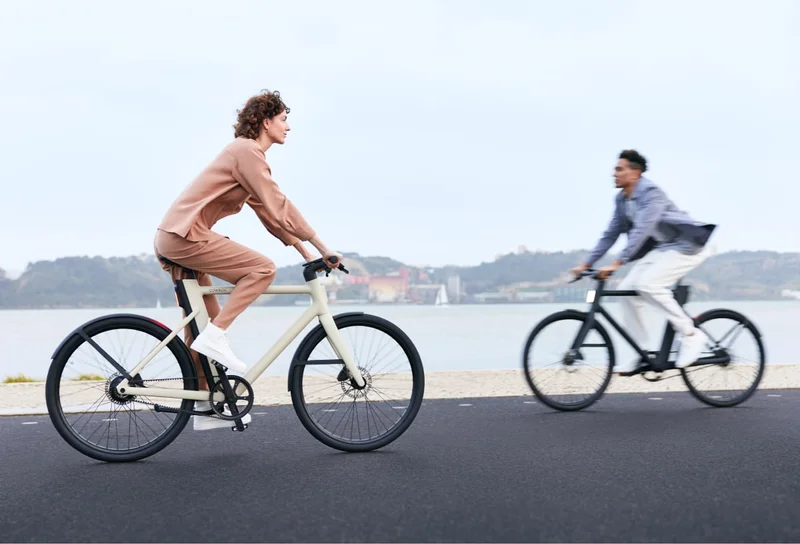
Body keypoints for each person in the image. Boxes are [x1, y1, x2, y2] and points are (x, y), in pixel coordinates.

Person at [154, 90, 342, 430]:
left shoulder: (244, 155)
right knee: (262, 269)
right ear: (266, 121)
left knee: (202, 325)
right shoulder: (248, 151)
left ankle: (209, 405)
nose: (288, 127)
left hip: (178, 238)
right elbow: (279, 204)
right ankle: (216, 337)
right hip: (185, 236)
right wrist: (320, 244)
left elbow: (268, 213)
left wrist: (307, 253)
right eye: (284, 119)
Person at [570, 150, 716, 374]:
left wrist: (617, 263)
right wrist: (586, 264)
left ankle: (691, 334)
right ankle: (642, 353)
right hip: (664, 248)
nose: (614, 174)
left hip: (688, 246)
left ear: (635, 173)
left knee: (648, 284)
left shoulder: (651, 193)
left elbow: (642, 230)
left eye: (620, 169)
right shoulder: (622, 199)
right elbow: (611, 234)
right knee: (627, 290)